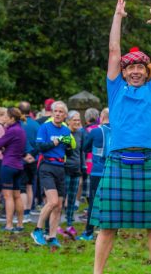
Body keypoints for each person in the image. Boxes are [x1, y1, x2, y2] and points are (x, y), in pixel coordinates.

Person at [86, 0, 151, 274]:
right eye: (130, 67)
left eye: (139, 66)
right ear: (123, 72)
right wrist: (117, 17)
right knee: (107, 226)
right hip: (118, 162)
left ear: (146, 71)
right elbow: (113, 50)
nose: (135, 70)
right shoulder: (115, 88)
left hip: (149, 161)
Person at [32, 101, 75, 247]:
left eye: (60, 112)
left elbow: (69, 150)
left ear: (65, 115)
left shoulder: (66, 130)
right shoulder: (45, 128)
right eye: (55, 111)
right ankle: (37, 230)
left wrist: (68, 145)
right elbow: (40, 147)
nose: (57, 114)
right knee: (52, 202)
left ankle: (52, 236)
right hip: (46, 166)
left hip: (60, 167)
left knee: (58, 206)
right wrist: (54, 143)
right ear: (52, 113)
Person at [79, 108, 111, 241]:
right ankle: (109, 229)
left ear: (102, 116)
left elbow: (84, 148)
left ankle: (88, 232)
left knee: (94, 200)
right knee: (110, 200)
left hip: (97, 170)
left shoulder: (96, 131)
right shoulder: (119, 131)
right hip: (113, 171)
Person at [0, 107, 27, 233]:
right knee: (17, 196)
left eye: (7, 117)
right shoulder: (21, 130)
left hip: (9, 165)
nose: (5, 119)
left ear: (12, 118)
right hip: (19, 166)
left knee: (8, 196)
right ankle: (20, 224)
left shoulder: (12, 130)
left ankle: (9, 225)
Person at [60, 110, 85, 238]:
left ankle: (69, 223)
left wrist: (83, 166)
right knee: (62, 198)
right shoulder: (64, 133)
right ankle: (57, 224)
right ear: (68, 121)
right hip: (65, 168)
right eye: (74, 120)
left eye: (78, 120)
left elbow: (81, 151)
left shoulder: (81, 133)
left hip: (76, 169)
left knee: (72, 198)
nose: (77, 122)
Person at [18, 102, 39, 218]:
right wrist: (32, 154)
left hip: (21, 158)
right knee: (30, 185)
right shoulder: (36, 124)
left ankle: (24, 213)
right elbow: (40, 142)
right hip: (34, 159)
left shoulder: (18, 124)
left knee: (22, 187)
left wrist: (25, 155)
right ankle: (29, 211)